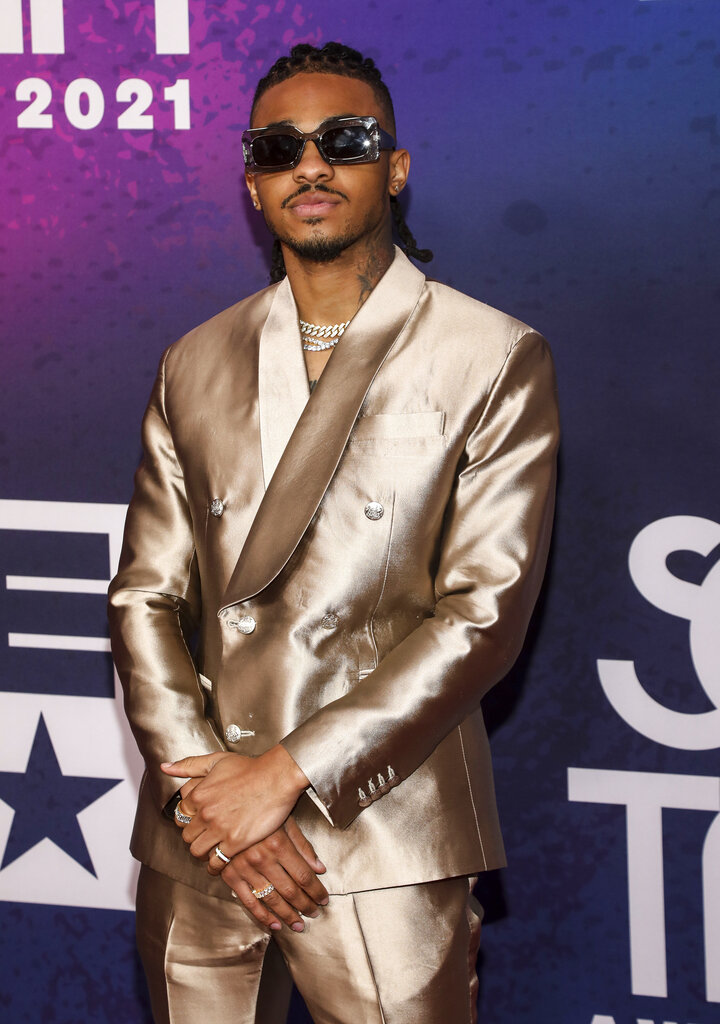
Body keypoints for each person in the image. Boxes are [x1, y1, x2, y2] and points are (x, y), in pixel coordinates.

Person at [108, 41, 559, 1024]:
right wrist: (212, 796)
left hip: (382, 832)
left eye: (342, 141)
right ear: (252, 184)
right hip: (204, 835)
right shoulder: (195, 360)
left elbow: (482, 615)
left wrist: (282, 778)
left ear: (393, 167)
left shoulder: (489, 354)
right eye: (279, 147)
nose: (309, 166)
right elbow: (146, 595)